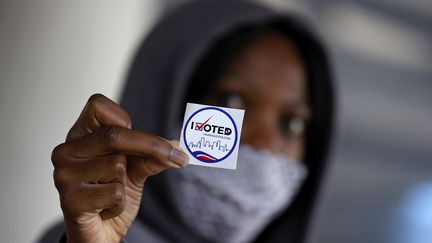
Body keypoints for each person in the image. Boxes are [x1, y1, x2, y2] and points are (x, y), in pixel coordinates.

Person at [39, 0, 334, 242]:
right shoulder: (82, 237)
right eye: (231, 101)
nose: (265, 144)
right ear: (159, 100)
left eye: (292, 124)